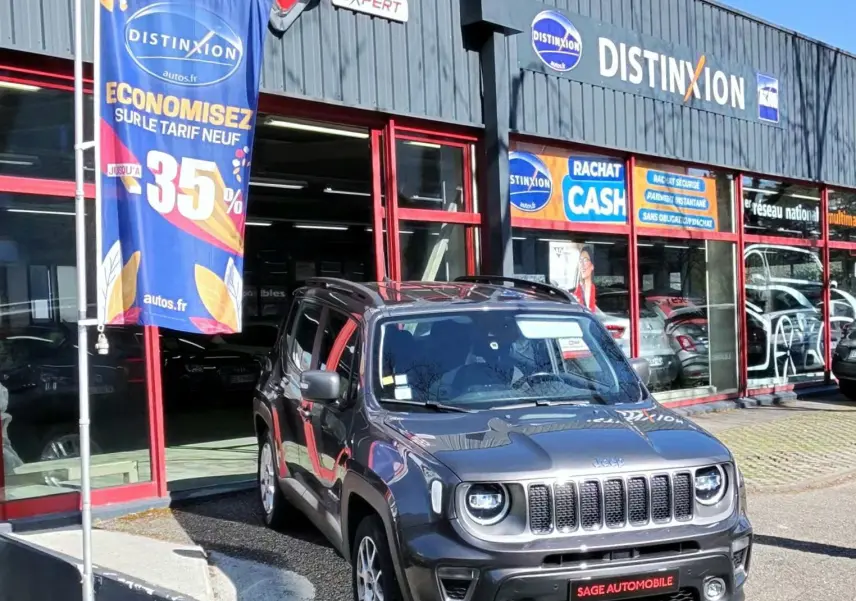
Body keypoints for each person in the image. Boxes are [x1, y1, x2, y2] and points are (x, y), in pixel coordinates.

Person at [573, 244, 597, 311]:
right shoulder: (577, 291)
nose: (582, 264)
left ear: (592, 266)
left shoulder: (595, 290)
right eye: (581, 261)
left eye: (585, 260)